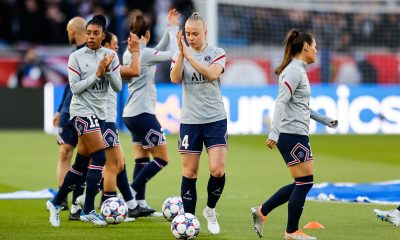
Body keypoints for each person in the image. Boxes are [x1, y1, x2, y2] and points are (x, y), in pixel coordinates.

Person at [250, 29, 338, 240]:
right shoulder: (293, 71)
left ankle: (262, 211)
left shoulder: (299, 70)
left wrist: (323, 119)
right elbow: (281, 101)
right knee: (305, 182)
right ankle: (291, 231)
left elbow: (300, 105)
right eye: (315, 46)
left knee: (302, 182)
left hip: (295, 133)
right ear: (305, 46)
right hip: (291, 134)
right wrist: (274, 131)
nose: (317, 50)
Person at [46, 15, 122, 227]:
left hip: (98, 114)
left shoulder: (111, 56)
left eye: (95, 33)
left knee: (80, 164)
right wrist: (97, 74)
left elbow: (117, 87)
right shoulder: (76, 57)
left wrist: (107, 72)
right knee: (99, 156)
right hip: (79, 112)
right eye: (88, 33)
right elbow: (75, 87)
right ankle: (88, 209)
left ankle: (56, 201)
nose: (90, 37)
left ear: (103, 35)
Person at [170, 12, 228, 235]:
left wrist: (189, 55)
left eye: (195, 33)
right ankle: (189, 221)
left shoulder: (217, 53)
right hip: (190, 121)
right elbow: (175, 78)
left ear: (205, 33)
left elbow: (212, 74)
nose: (191, 37)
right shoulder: (181, 54)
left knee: (217, 170)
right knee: (190, 172)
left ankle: (210, 210)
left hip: (215, 119)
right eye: (187, 33)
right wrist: (182, 55)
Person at [122, 9, 179, 215]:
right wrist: (174, 32)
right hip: (143, 113)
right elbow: (172, 53)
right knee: (162, 158)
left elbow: (158, 48)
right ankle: (131, 190)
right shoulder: (144, 54)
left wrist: (170, 27)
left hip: (131, 114)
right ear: (146, 35)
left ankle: (139, 203)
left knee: (142, 158)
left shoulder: (131, 53)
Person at [52, 16, 86, 220]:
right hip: (67, 112)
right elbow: (69, 86)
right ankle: (62, 196)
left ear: (74, 30)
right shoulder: (74, 55)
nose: (67, 34)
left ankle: (79, 199)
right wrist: (58, 109)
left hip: (83, 112)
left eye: (68, 30)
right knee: (65, 152)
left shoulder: (91, 53)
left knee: (83, 157)